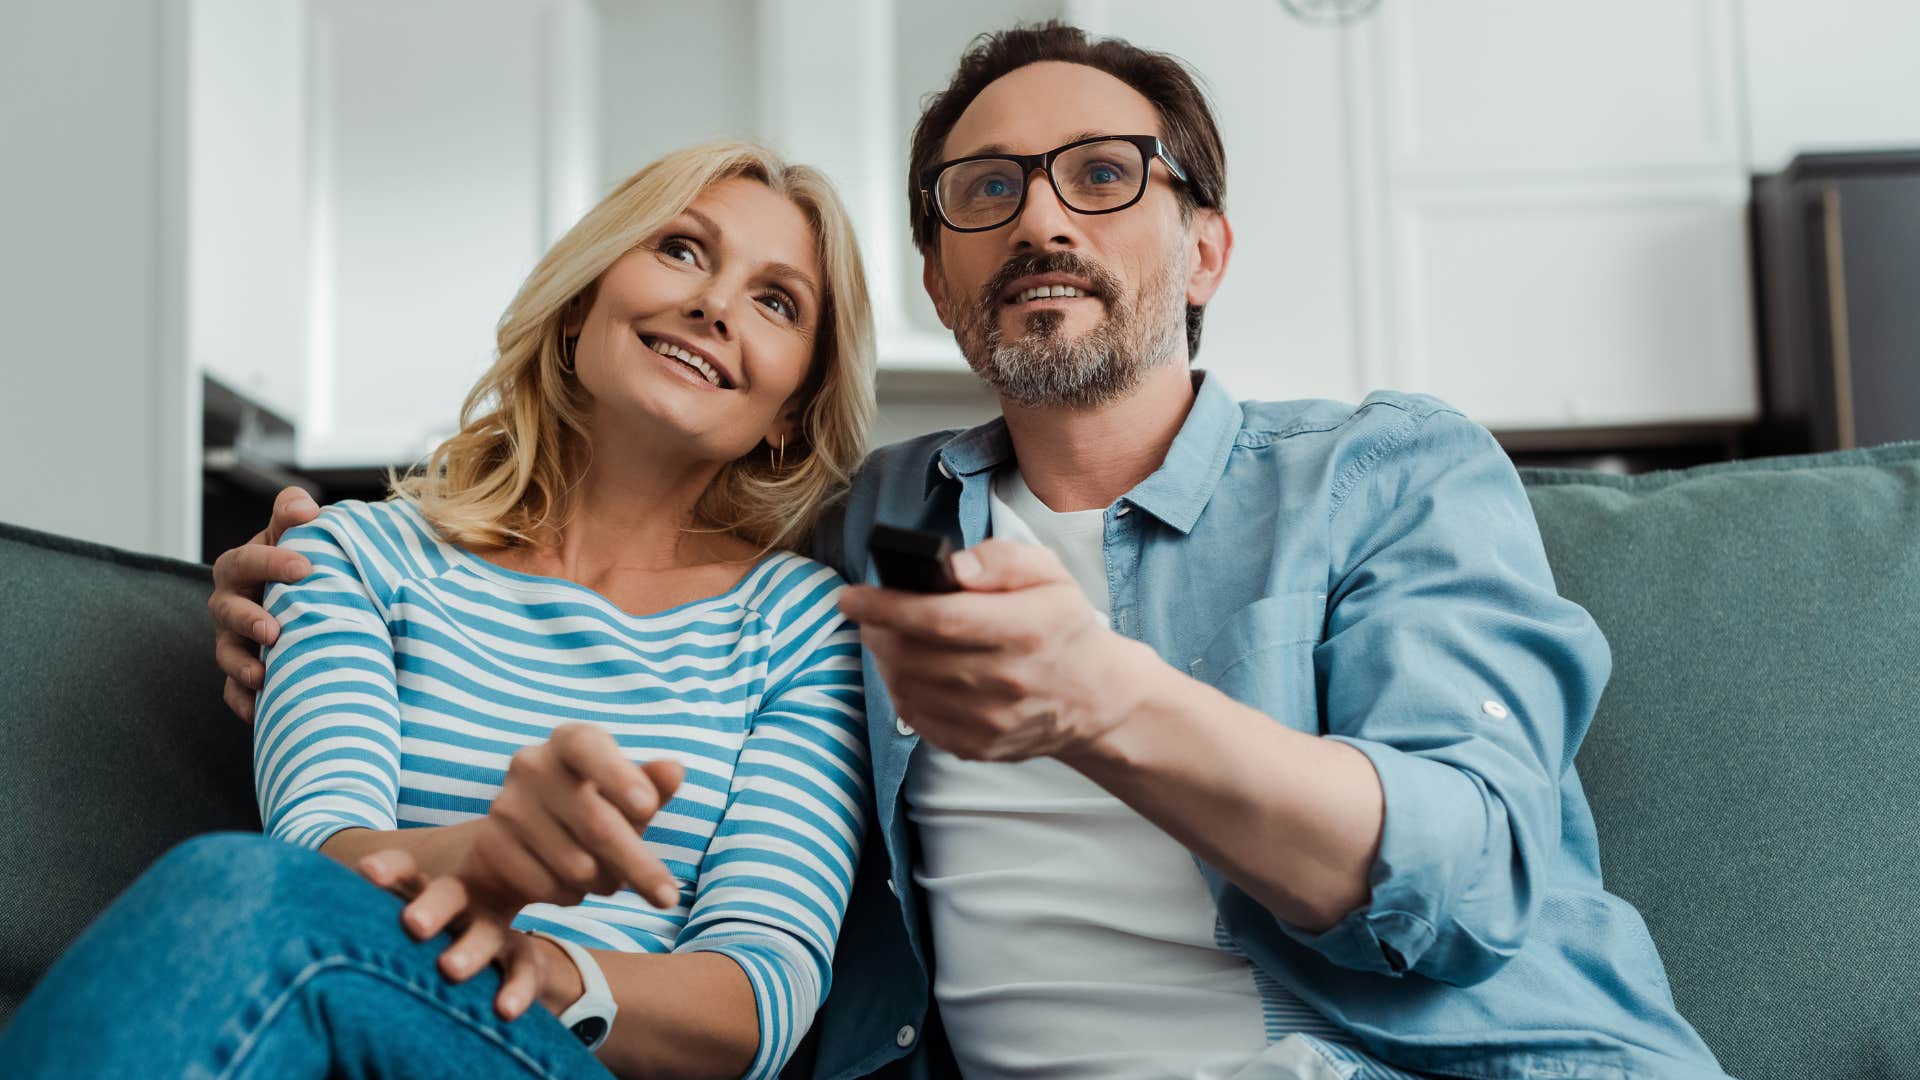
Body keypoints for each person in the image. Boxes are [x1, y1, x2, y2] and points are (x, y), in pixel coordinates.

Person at [204, 22, 1731, 1080]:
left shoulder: (1385, 473)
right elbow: (624, 525)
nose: (1041, 217)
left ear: (1205, 247)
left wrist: (1104, 699)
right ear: (942, 281)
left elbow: (1470, 874)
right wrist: (288, 567)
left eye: (1104, 172)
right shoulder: (860, 536)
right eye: (985, 189)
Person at [1, 140, 877, 1080]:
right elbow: (312, 862)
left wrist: (544, 968)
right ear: (583, 299)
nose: (715, 304)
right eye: (681, 250)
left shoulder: (806, 628)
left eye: (775, 301)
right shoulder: (351, 558)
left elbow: (759, 998)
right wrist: (486, 860)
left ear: (794, 408)